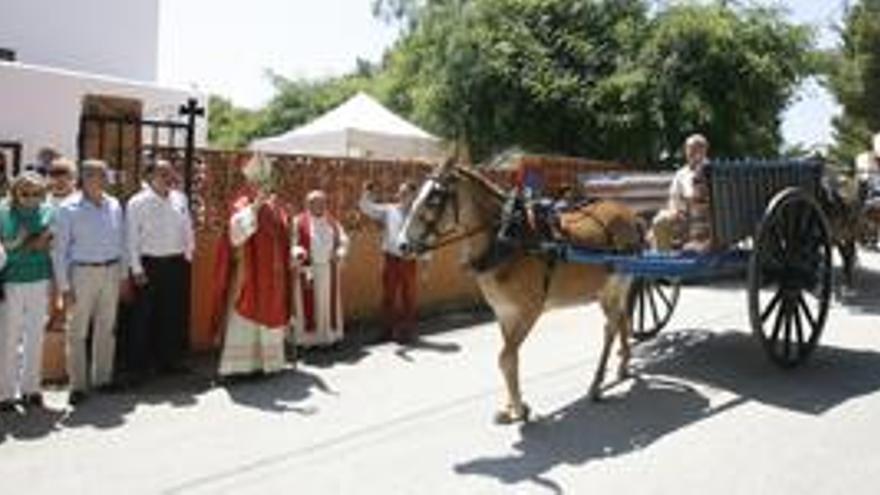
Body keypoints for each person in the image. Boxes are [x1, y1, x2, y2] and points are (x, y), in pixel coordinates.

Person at [53, 159, 127, 406]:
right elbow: (59, 251)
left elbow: (121, 241)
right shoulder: (68, 208)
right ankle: (78, 385)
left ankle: (102, 379)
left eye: (105, 175)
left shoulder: (114, 204)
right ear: (85, 178)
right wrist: (64, 288)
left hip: (110, 270)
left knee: (107, 329)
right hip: (82, 274)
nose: (105, 180)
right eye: (100, 175)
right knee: (77, 331)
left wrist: (123, 274)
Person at [212, 154, 292, 378]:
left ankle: (269, 364)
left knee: (270, 317)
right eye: (258, 180)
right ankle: (239, 367)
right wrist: (254, 208)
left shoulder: (276, 205)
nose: (261, 185)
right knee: (244, 318)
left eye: (265, 180)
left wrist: (293, 252)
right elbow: (235, 233)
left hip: (273, 275)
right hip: (249, 273)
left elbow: (285, 235)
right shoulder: (243, 201)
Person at [126, 159, 194, 381]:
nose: (168, 176)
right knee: (143, 316)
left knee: (171, 314)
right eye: (162, 173)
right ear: (149, 177)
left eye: (169, 172)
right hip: (149, 264)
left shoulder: (179, 198)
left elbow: (187, 227)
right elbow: (131, 237)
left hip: (175, 263)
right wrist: (136, 268)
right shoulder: (138, 202)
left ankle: (169, 360)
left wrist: (188, 254)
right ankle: (138, 365)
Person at [0, 173, 53, 411]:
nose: (30, 198)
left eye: (36, 193)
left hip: (39, 279)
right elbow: (5, 250)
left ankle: (31, 389)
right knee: (8, 337)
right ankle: (5, 393)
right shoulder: (2, 212)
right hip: (11, 280)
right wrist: (26, 245)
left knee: (35, 336)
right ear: (15, 192)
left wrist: (19, 245)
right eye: (25, 193)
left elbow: (47, 244)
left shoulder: (48, 211)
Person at [359, 181, 424, 343]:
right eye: (400, 192)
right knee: (388, 296)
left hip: (410, 259)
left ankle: (407, 331)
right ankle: (387, 331)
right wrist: (366, 194)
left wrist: (426, 261)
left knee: (409, 297)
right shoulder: (389, 209)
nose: (401, 195)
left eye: (405, 193)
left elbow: (425, 238)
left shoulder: (418, 214)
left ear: (413, 195)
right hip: (391, 258)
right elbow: (367, 208)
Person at [291, 190, 350, 349]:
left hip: (329, 269)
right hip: (308, 269)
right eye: (314, 202)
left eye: (321, 202)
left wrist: (340, 252)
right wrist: (297, 252)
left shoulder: (332, 222)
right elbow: (292, 242)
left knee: (327, 304)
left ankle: (330, 337)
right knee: (308, 306)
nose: (318, 206)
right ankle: (308, 341)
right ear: (307, 204)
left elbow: (343, 240)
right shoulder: (298, 221)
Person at [650, 133, 712, 252]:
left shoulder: (712, 170)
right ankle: (665, 260)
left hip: (706, 217)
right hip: (683, 216)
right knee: (660, 221)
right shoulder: (681, 173)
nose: (690, 153)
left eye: (694, 149)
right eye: (688, 149)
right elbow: (673, 198)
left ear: (704, 150)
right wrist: (674, 210)